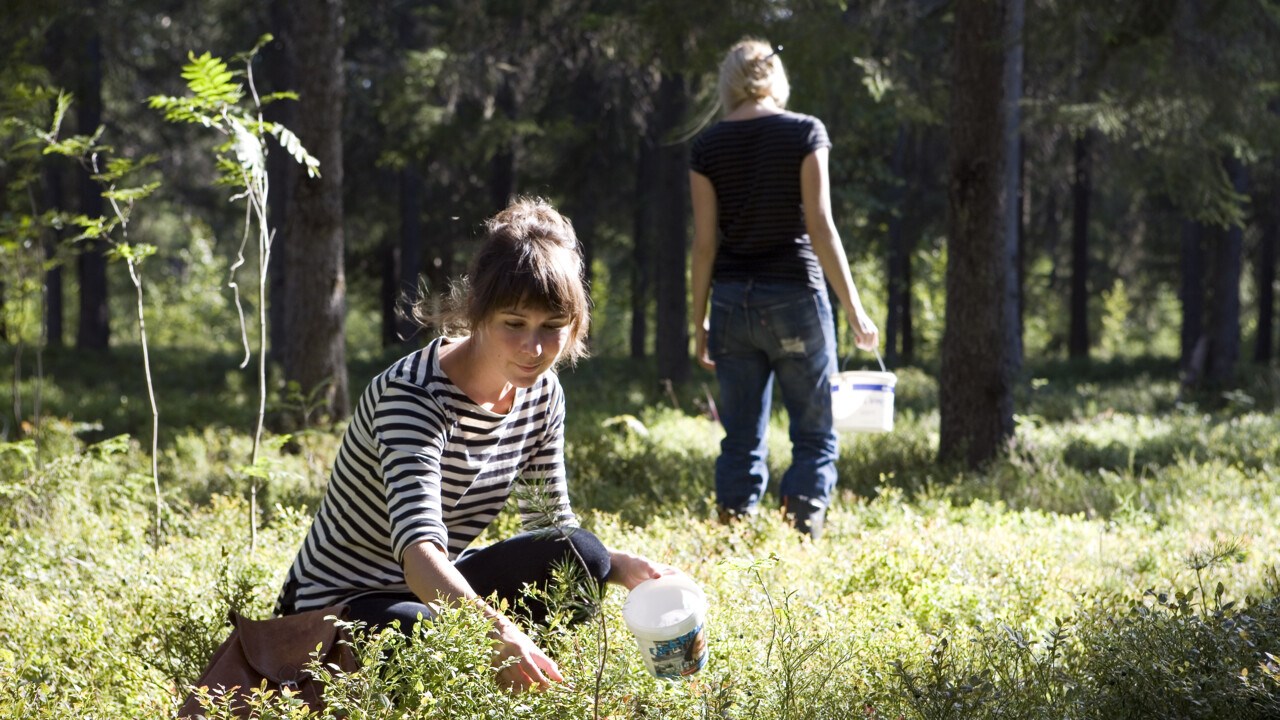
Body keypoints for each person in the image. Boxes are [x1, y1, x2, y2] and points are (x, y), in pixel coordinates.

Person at [275, 197, 678, 692]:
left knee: (583, 556)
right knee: (418, 634)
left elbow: (549, 521)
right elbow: (419, 551)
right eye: (514, 324)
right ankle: (483, 670)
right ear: (479, 311)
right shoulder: (415, 396)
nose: (534, 349)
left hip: (426, 594)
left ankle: (509, 674)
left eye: (551, 328)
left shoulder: (541, 395)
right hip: (338, 605)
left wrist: (619, 566)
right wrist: (495, 632)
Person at [689, 39, 879, 539]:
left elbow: (704, 245)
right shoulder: (804, 132)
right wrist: (855, 310)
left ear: (728, 82)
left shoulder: (707, 146)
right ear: (774, 79)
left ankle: (732, 534)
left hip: (731, 302)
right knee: (814, 434)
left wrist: (698, 322)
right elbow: (821, 227)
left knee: (741, 437)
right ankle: (801, 536)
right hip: (796, 296)